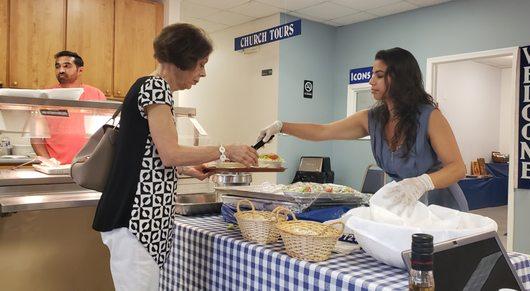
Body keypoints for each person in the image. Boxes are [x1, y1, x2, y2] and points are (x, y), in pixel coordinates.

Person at [92, 23, 258, 290]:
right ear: (184, 59)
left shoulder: (146, 86)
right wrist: (226, 149)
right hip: (135, 220)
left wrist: (189, 169)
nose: (203, 73)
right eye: (201, 64)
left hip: (137, 220)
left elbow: (147, 155)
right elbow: (169, 153)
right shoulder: (156, 87)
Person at [257, 47, 468, 211]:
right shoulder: (372, 118)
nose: (371, 81)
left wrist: (422, 183)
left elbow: (457, 168)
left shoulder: (429, 116)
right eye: (371, 74)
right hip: (405, 206)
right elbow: (323, 131)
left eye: (378, 75)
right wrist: (281, 126)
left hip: (441, 206)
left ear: (398, 77)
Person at [30, 51, 107, 164]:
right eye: (57, 66)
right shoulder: (46, 96)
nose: (61, 70)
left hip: (88, 166)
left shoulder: (97, 95)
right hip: (56, 166)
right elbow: (36, 139)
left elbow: (105, 135)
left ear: (80, 70)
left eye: (67, 66)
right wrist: (49, 163)